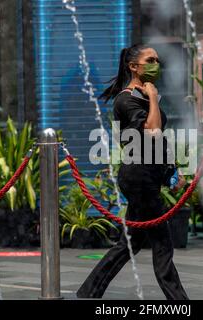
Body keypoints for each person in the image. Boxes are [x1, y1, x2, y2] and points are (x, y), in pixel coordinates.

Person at [76, 44, 189, 300]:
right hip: (139, 178)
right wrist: (152, 97)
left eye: (158, 60)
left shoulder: (143, 96)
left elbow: (157, 143)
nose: (156, 64)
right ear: (133, 66)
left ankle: (88, 293)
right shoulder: (127, 99)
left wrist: (171, 170)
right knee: (162, 245)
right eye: (150, 60)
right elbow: (151, 132)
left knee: (130, 243)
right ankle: (180, 302)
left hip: (147, 175)